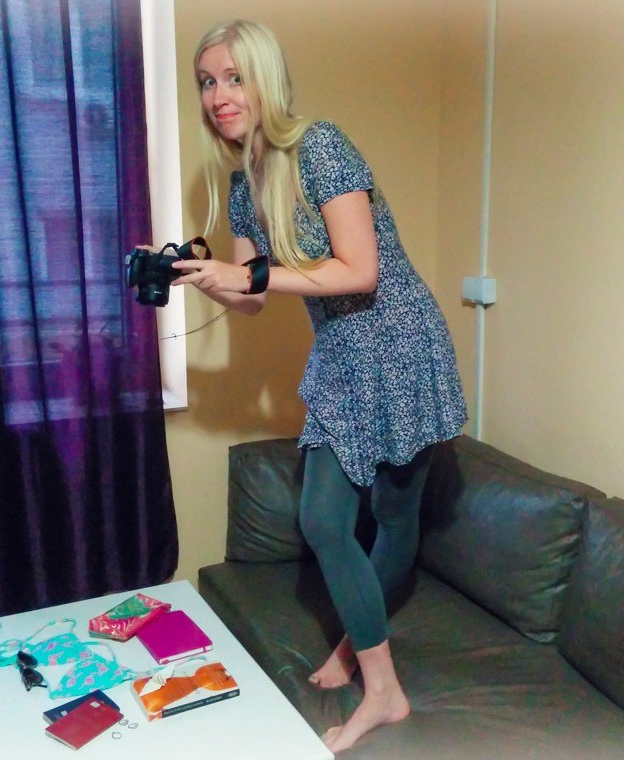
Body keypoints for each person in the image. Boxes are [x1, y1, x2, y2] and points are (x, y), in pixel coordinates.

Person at [171, 19, 467, 753]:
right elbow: (250, 296)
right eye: (207, 82)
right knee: (327, 522)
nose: (219, 95)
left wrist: (250, 275)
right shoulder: (243, 185)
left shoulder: (321, 147)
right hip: (340, 355)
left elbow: (359, 269)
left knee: (395, 517)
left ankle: (363, 658)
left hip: (399, 344)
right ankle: (383, 682)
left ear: (265, 80)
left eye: (234, 77)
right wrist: (200, 274)